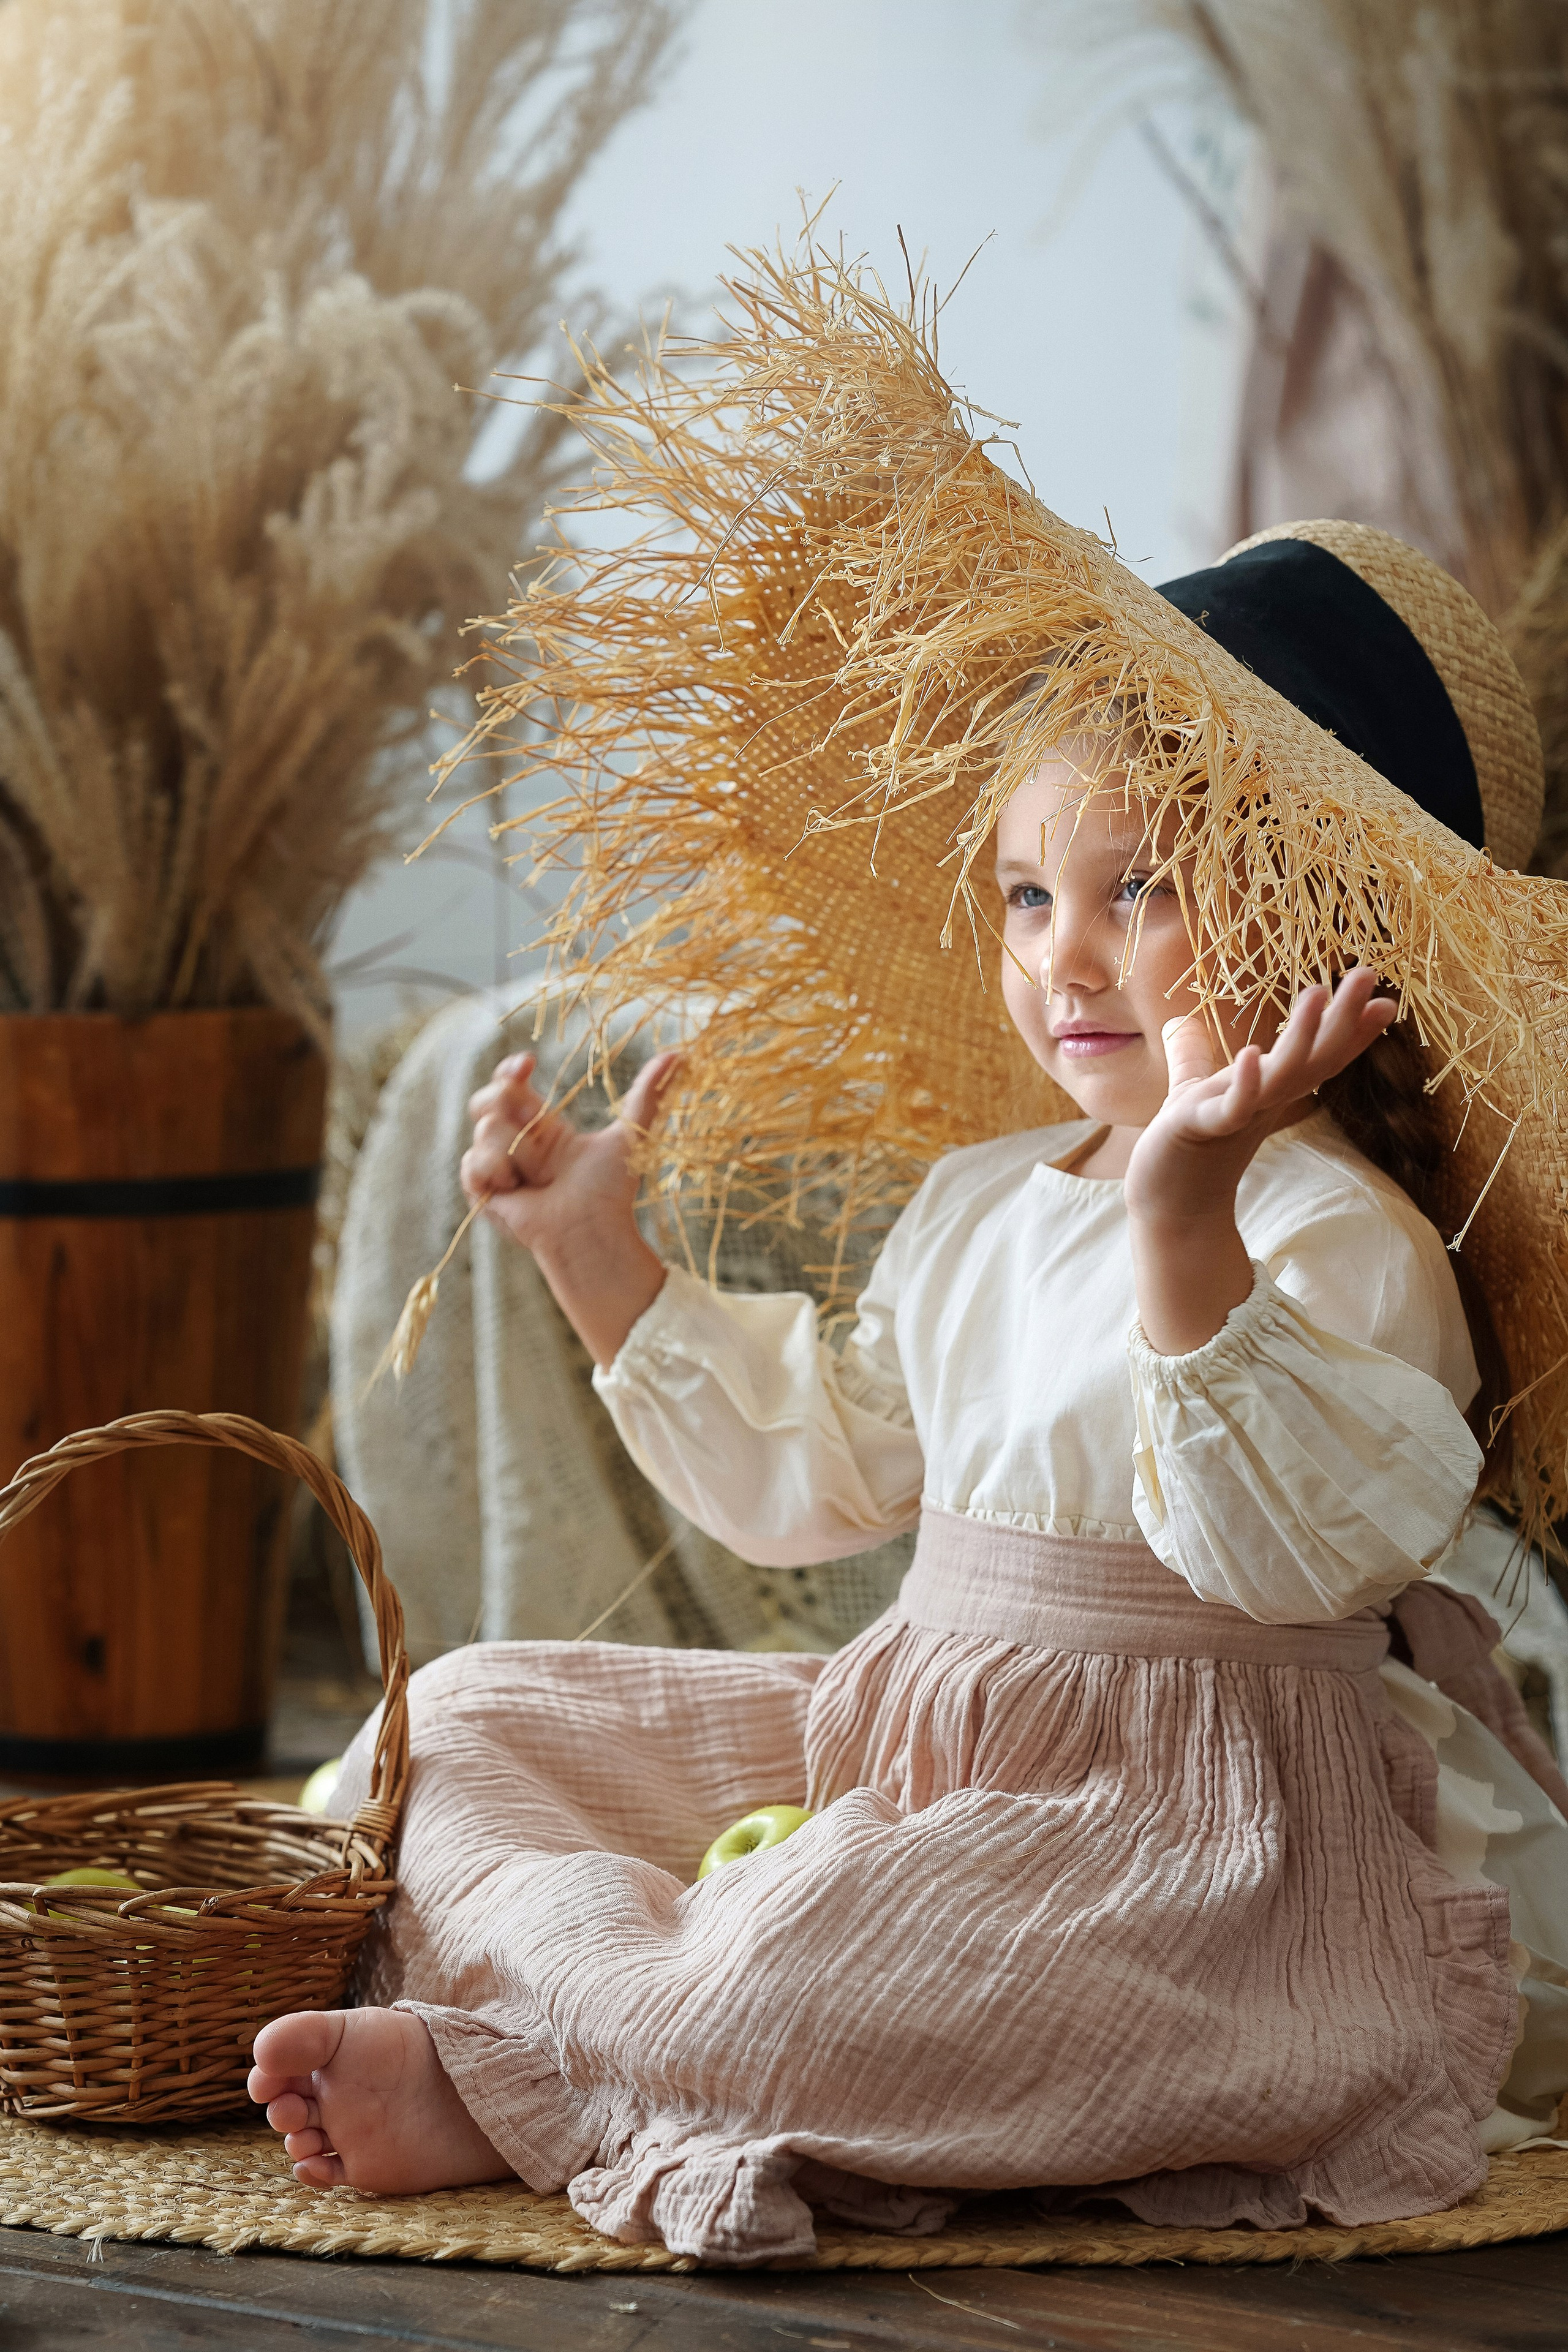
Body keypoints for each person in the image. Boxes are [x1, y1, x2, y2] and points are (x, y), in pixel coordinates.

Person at [248, 263, 1568, 2264]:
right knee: (478, 1717)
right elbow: (829, 1475)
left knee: (811, 1949)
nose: (1061, 954)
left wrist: (1188, 1216)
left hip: (1198, 1853)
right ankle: (635, 1995)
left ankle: (533, 2053)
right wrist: (604, 1258)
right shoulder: (982, 1200)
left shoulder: (1342, 1238)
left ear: (1324, 927)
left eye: (1141, 893)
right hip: (912, 1749)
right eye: (1033, 892)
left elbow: (1295, 1549)